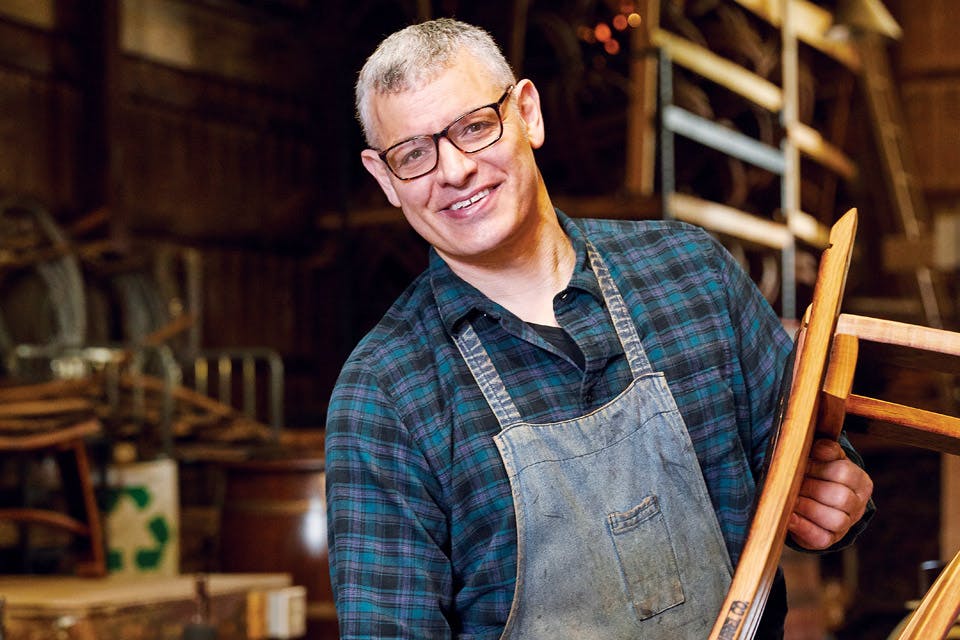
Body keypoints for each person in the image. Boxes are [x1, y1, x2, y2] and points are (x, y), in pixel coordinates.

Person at [325, 17, 874, 640]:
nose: (453, 171)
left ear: (527, 114)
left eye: (475, 127)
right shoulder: (386, 392)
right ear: (383, 178)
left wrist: (837, 499)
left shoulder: (692, 275)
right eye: (414, 154)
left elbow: (813, 460)